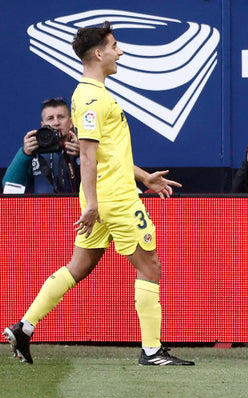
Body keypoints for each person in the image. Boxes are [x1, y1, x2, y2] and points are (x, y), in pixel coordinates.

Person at [3, 22, 194, 366]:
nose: (120, 51)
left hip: (105, 195)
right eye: (115, 45)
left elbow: (106, 153)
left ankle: (24, 327)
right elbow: (87, 155)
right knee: (150, 266)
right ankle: (152, 351)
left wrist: (145, 177)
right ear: (98, 53)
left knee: (79, 266)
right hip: (114, 200)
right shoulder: (91, 97)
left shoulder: (96, 94)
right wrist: (93, 204)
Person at [2, 97, 80, 193]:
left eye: (61, 117)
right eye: (50, 118)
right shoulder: (35, 151)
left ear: (71, 123)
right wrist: (24, 154)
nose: (56, 123)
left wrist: (82, 155)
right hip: (42, 207)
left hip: (78, 206)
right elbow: (10, 187)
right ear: (43, 125)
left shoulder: (82, 147)